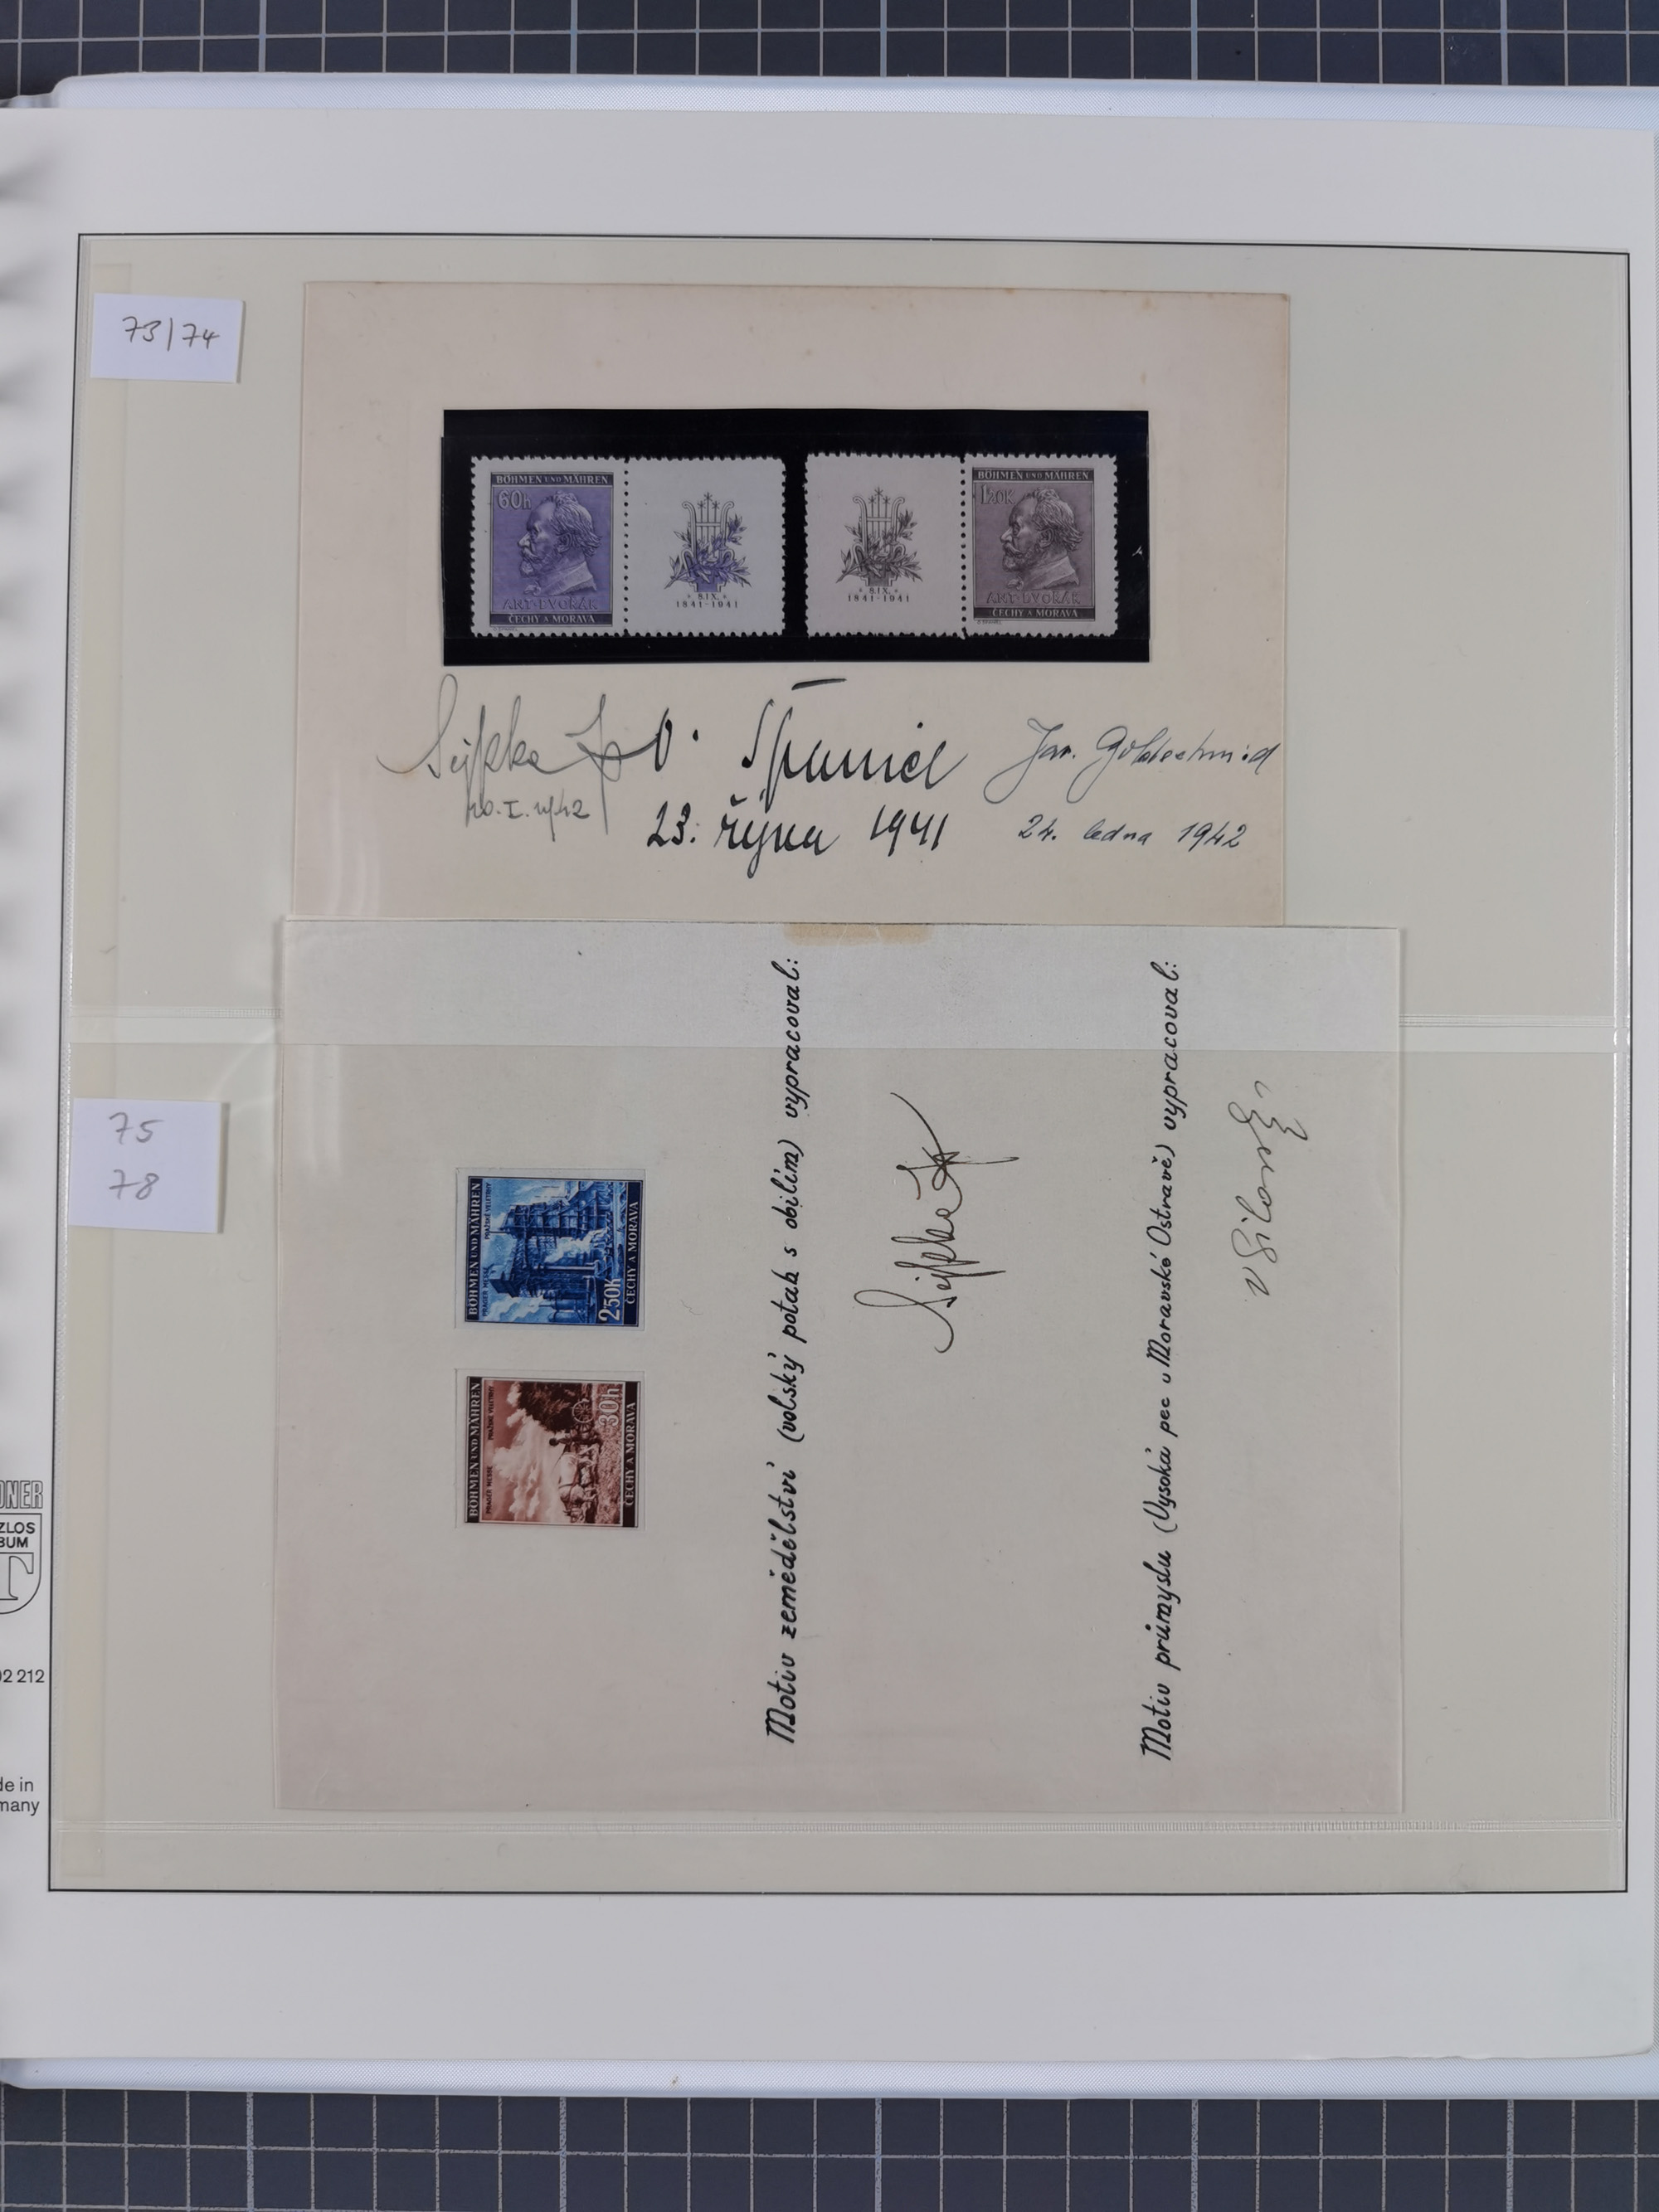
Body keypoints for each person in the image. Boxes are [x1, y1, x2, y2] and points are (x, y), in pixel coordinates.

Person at [517, 489, 601, 598]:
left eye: (534, 533)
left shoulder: (582, 592)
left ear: (564, 542)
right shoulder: (544, 589)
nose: (521, 542)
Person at [1000, 487, 1083, 593]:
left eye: (1016, 529)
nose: (1003, 537)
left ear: (1045, 537)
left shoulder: (1064, 585)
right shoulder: (1028, 583)